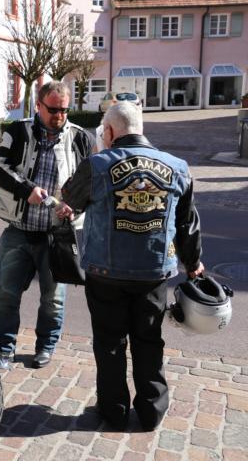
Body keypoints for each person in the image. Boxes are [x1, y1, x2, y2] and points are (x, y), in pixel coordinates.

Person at [59, 102, 204, 430]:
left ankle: (114, 410)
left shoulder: (97, 164)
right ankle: (152, 411)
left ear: (110, 131)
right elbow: (188, 224)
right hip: (153, 272)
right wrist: (193, 263)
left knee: (109, 343)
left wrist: (97, 155)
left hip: (105, 272)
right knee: (149, 340)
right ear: (141, 128)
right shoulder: (178, 167)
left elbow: (69, 198)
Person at [0, 81, 94, 368]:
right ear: (38, 105)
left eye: (64, 110)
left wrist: (75, 205)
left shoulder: (80, 138)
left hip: (56, 236)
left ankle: (45, 346)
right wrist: (27, 190)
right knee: (6, 294)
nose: (60, 116)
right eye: (53, 110)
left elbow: (90, 182)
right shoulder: (18, 131)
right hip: (19, 230)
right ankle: (2, 347)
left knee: (53, 299)